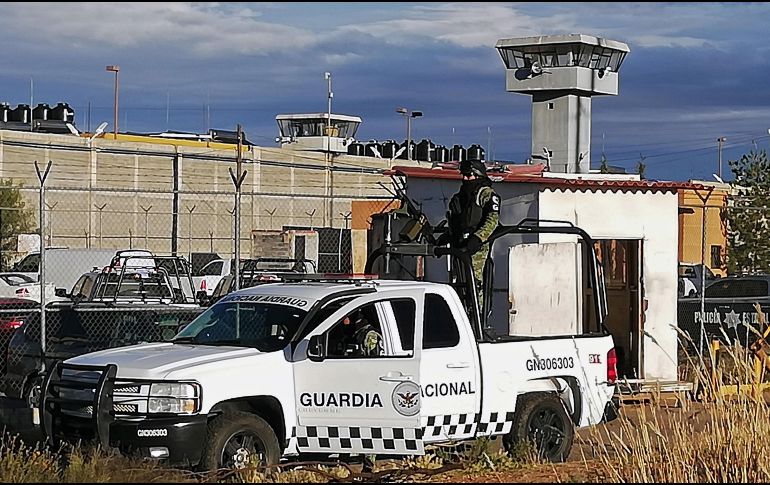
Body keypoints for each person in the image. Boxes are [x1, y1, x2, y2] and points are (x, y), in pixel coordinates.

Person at [436, 157, 500, 284]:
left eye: (468, 175)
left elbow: (492, 220)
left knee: (475, 285)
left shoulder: (485, 194)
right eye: (463, 175)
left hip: (476, 249)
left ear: (477, 175)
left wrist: (477, 238)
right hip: (458, 247)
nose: (465, 179)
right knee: (459, 284)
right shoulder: (460, 197)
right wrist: (446, 237)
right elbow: (458, 221)